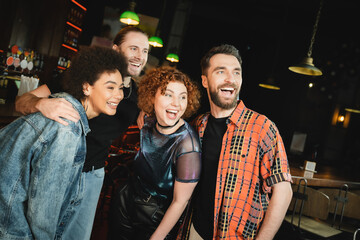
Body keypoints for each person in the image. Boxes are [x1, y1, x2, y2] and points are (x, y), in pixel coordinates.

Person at [14, 26, 149, 239]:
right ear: (115, 49)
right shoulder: (84, 77)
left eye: (145, 51)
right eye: (133, 48)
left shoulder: (137, 97)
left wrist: (146, 112)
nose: (140, 56)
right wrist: (41, 104)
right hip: (54, 169)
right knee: (35, 230)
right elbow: (22, 101)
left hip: (92, 175)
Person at [0, 46, 126, 239]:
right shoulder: (68, 127)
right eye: (110, 87)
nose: (119, 95)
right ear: (86, 87)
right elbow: (44, 209)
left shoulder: (67, 113)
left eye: (120, 88)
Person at [182, 44, 293, 240]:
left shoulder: (262, 127)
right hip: (194, 231)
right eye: (220, 71)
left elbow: (283, 193)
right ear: (205, 81)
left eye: (236, 72)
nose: (230, 79)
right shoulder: (197, 125)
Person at [108, 66, 202, 240]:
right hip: (126, 202)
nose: (177, 103)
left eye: (183, 97)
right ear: (152, 96)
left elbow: (180, 202)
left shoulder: (188, 145)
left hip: (155, 219)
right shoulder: (148, 120)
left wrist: (156, 238)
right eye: (168, 94)